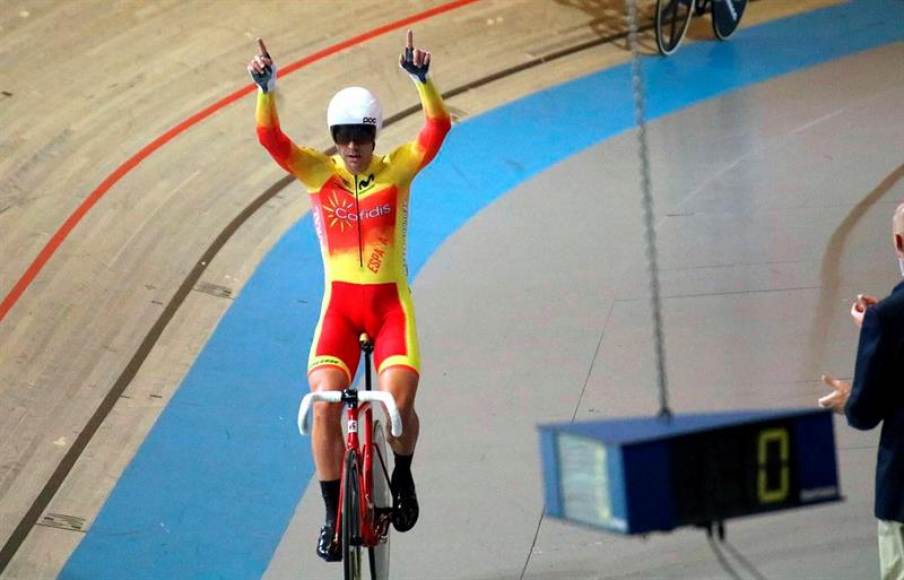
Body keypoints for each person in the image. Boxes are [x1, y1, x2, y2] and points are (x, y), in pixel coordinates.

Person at [248, 31, 451, 562]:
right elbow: (271, 139)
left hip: (389, 311)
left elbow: (437, 128)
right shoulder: (317, 173)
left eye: (362, 136)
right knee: (323, 408)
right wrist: (266, 91)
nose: (354, 147)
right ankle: (330, 514)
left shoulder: (398, 169)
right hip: (339, 312)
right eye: (344, 137)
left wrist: (423, 82)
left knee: (399, 404)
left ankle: (402, 476)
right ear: (334, 138)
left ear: (374, 135)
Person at [820, 203, 904, 580]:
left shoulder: (888, 318)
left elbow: (865, 412)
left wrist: (849, 398)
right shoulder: (886, 318)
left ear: (899, 242)